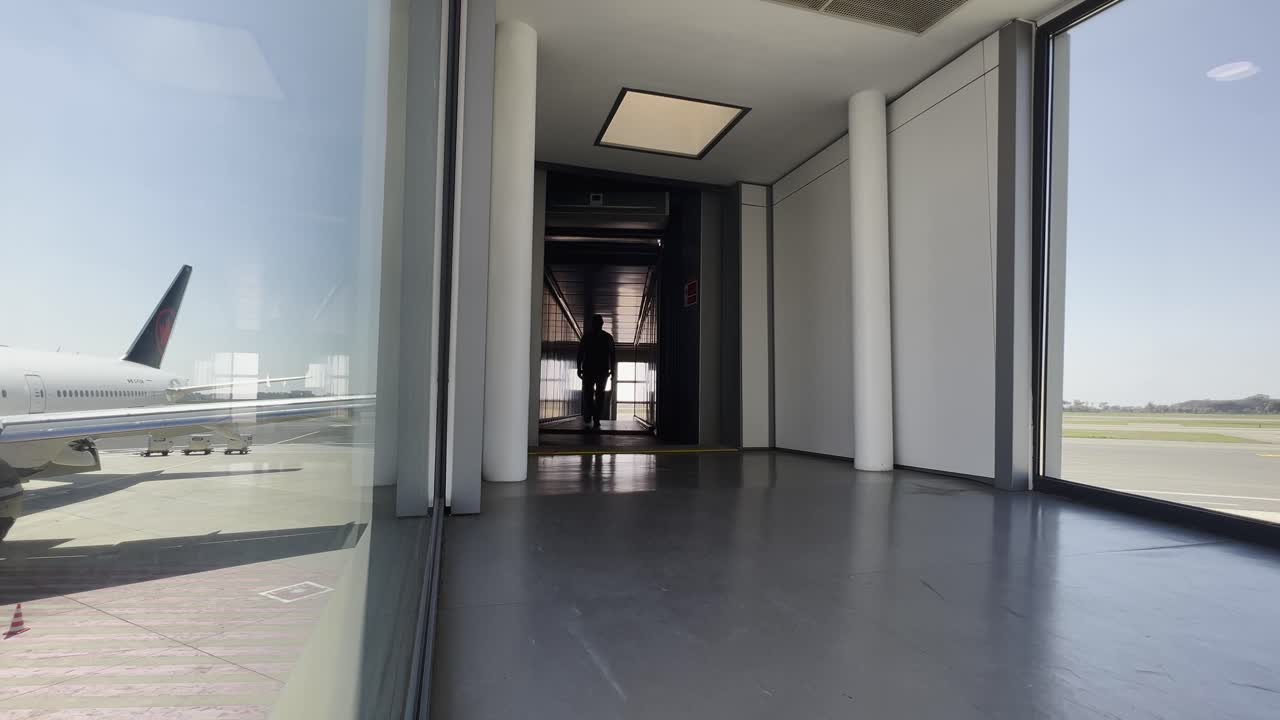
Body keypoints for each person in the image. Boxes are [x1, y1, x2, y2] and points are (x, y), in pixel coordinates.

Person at [576, 314, 616, 429]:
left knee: (590, 394)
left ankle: (592, 414)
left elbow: (580, 354)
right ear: (601, 324)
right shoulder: (607, 337)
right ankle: (595, 416)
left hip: (590, 370)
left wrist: (579, 368)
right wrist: (612, 370)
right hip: (601, 370)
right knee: (599, 395)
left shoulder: (587, 337)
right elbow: (612, 355)